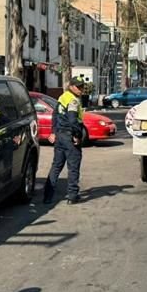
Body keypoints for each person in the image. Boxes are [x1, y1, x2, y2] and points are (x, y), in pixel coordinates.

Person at [43, 77, 86, 205]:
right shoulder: (73, 100)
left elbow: (55, 115)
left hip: (60, 136)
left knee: (56, 166)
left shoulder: (63, 97)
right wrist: (77, 135)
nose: (81, 90)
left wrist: (53, 132)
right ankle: (72, 196)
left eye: (82, 87)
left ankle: (47, 196)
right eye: (79, 87)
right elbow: (73, 120)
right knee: (73, 167)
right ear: (71, 86)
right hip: (69, 137)